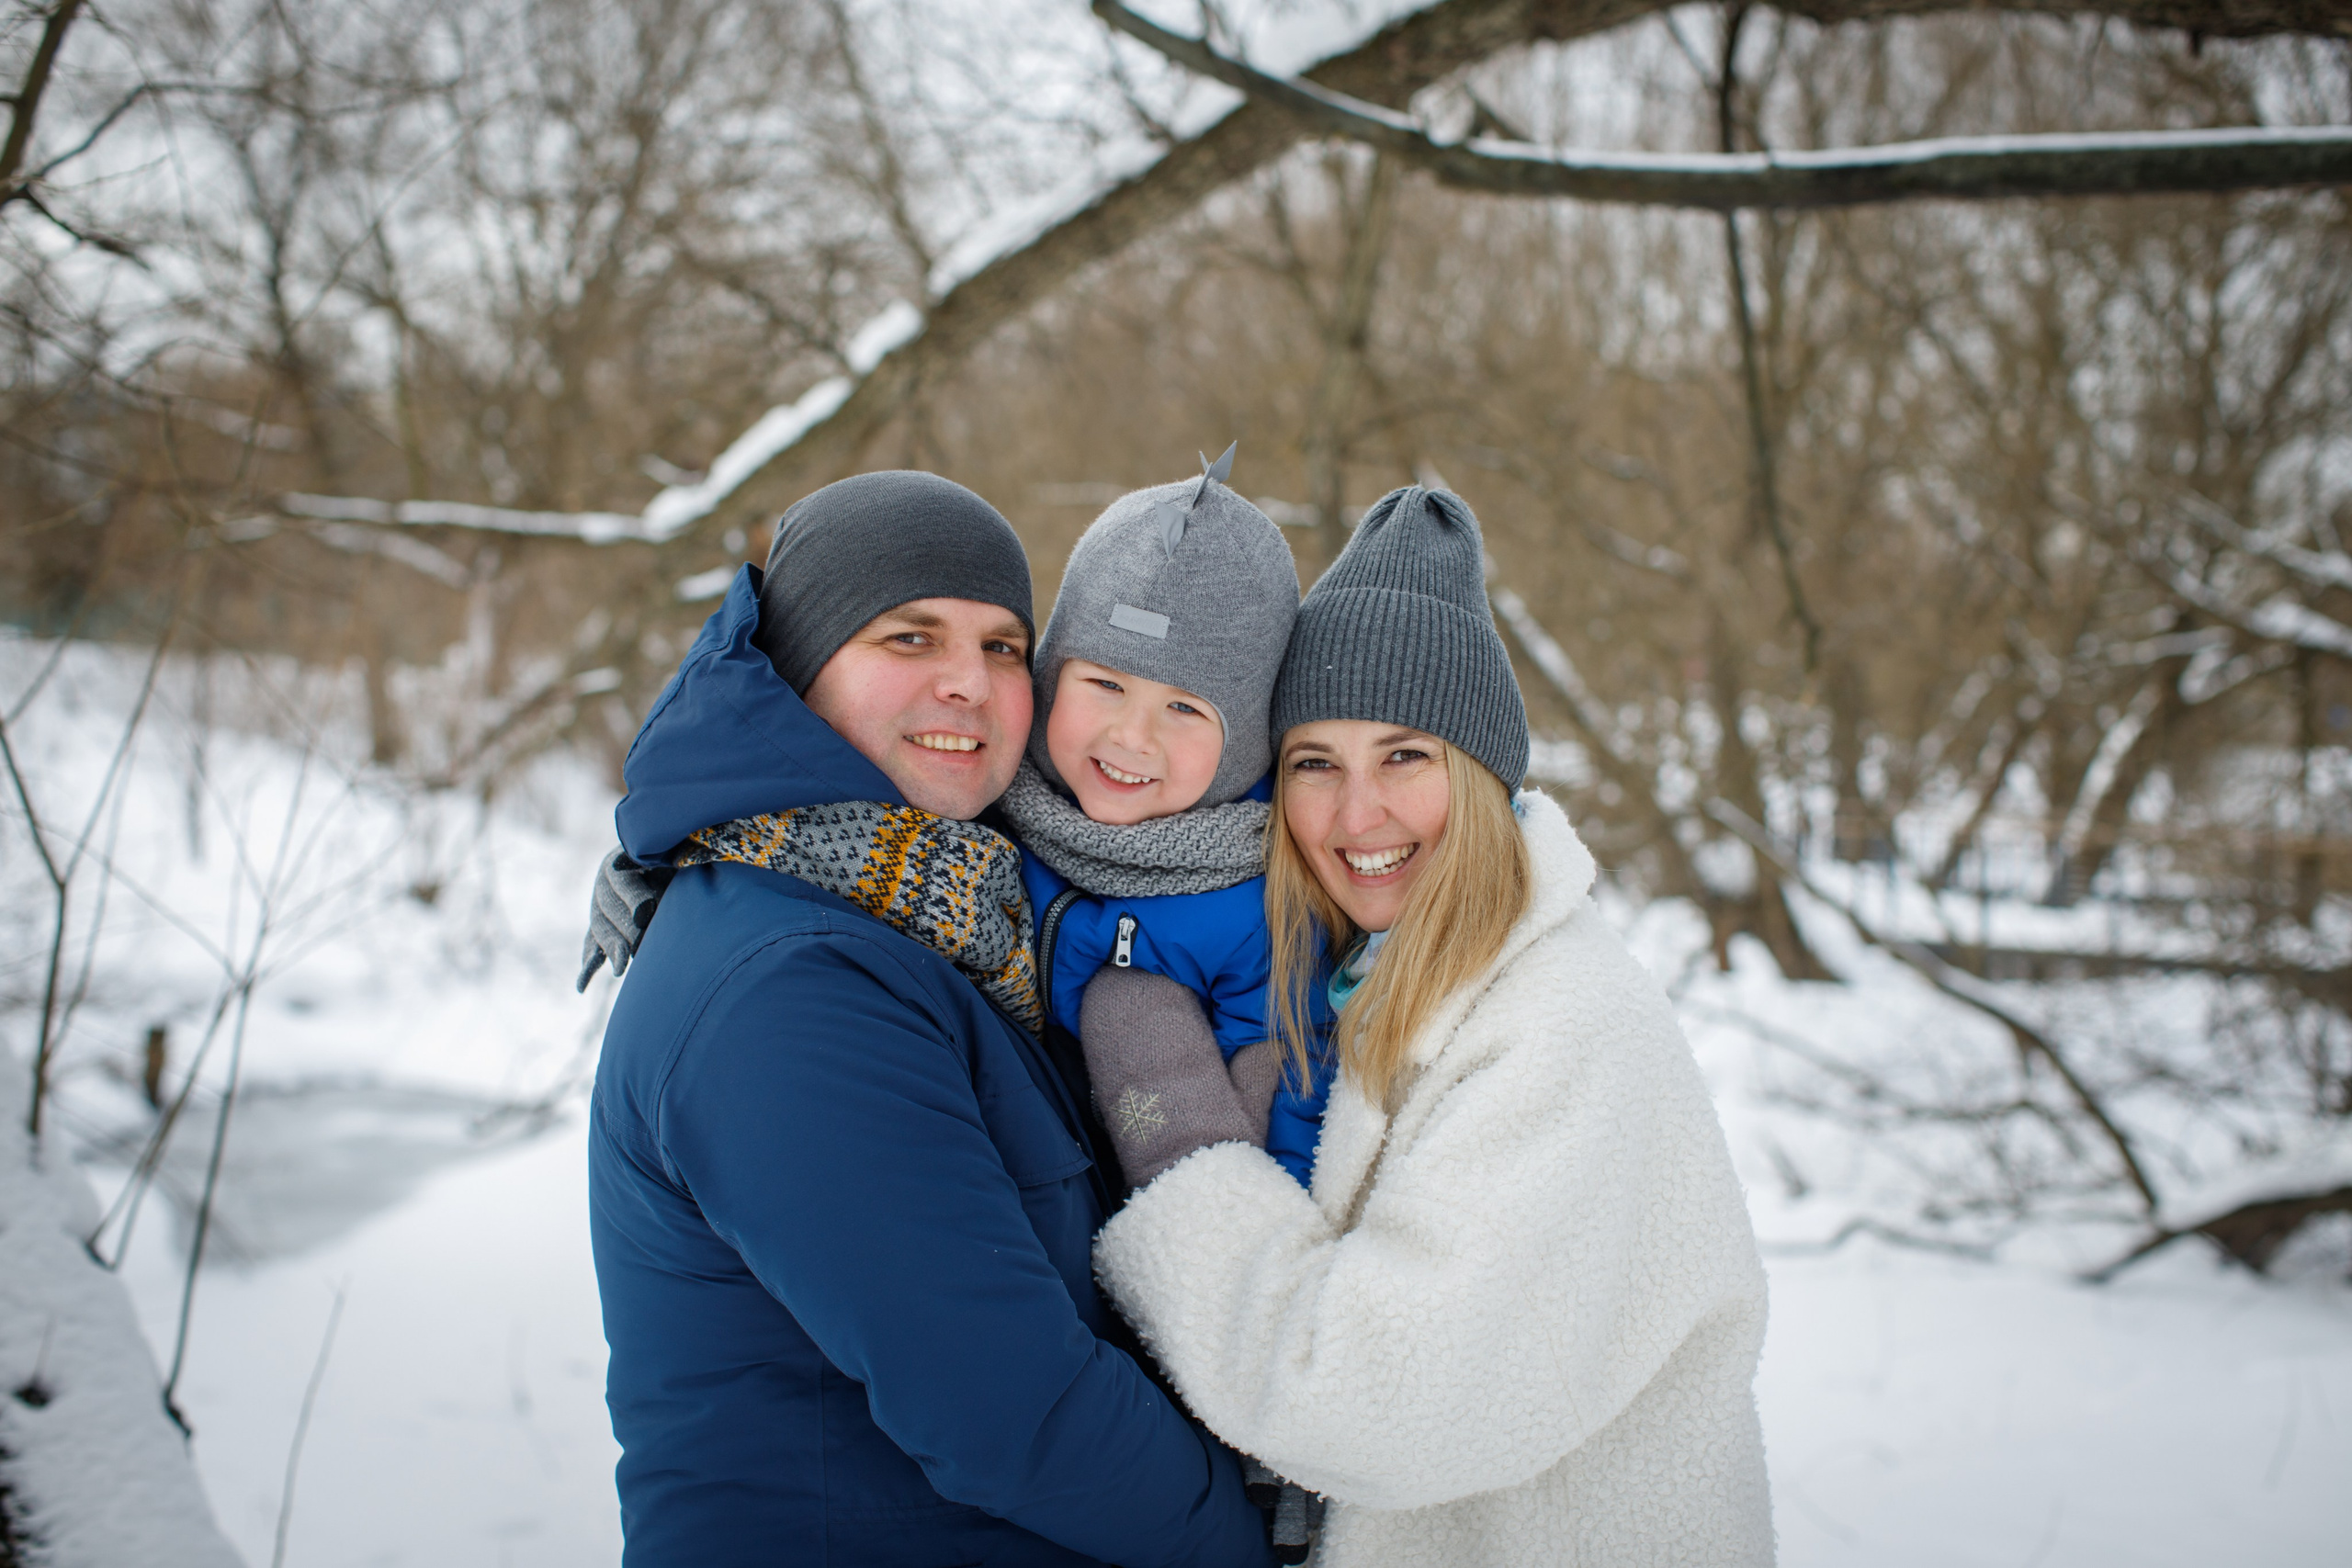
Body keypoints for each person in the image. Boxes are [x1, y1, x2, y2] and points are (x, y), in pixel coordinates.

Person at [582, 470, 1271, 1567]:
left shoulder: (952, 918)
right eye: (909, 639)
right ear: (801, 667)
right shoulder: (792, 985)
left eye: (1004, 647)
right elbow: (1011, 1414)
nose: (969, 684)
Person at [1078, 485, 1775, 1566]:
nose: (1357, 817)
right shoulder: (1360, 983)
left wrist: (1178, 1140)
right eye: (1316, 764)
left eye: (1405, 757)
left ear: (1484, 778)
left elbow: (1368, 1404)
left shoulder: (1558, 1024)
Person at [996, 446, 1335, 1191]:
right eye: (1104, 683)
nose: (1131, 736)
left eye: (1184, 707)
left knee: (1133, 1004)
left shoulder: (1257, 899)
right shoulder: (992, 814)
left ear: (1245, 736)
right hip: (1016, 1173)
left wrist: (1252, 1226)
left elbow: (1290, 1072)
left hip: (1170, 1209)